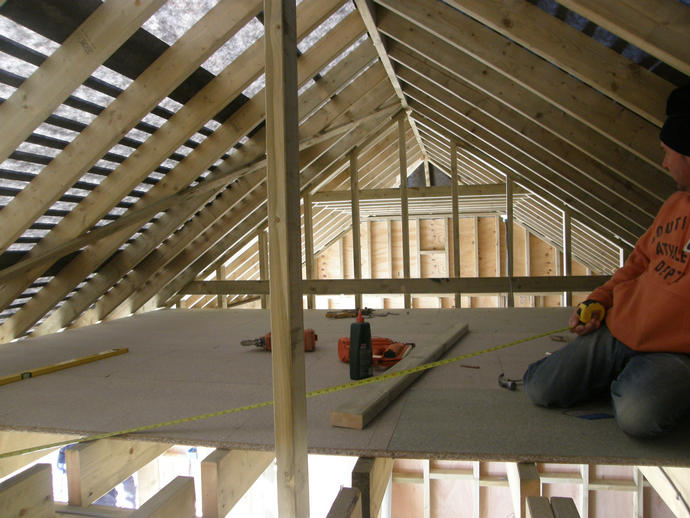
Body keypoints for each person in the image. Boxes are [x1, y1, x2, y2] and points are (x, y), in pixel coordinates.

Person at [523, 84, 690, 438]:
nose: (663, 163)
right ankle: (621, 378)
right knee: (539, 388)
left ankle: (632, 385)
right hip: (620, 329)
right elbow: (637, 263)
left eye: (667, 152)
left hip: (675, 354)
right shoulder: (675, 205)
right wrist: (601, 299)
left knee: (637, 417)